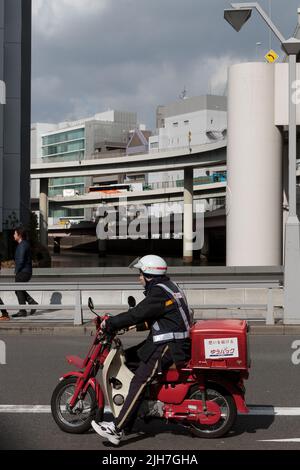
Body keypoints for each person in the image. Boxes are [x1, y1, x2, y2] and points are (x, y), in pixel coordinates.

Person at [91, 255, 192, 446]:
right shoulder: (167, 287)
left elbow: (137, 313)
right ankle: (138, 409)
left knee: (139, 380)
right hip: (165, 340)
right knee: (128, 359)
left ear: (148, 275)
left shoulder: (158, 293)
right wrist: (130, 326)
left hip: (169, 345)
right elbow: (154, 316)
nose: (139, 278)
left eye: (140, 274)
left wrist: (110, 324)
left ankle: (117, 429)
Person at [11, 227, 38, 318]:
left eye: (15, 233)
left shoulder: (22, 245)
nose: (13, 235)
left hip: (23, 272)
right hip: (25, 271)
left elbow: (21, 260)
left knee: (18, 289)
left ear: (19, 235)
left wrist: (16, 271)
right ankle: (31, 303)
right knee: (18, 289)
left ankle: (23, 311)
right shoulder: (23, 244)